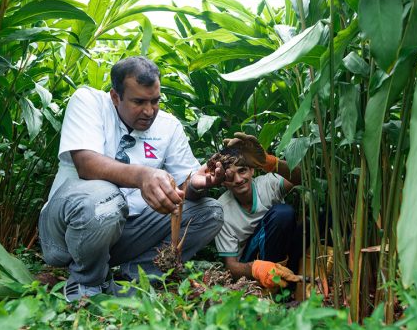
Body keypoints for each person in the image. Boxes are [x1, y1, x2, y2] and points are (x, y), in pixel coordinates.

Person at [39, 56, 226, 301]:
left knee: (209, 212)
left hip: (125, 233)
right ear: (115, 97)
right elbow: (86, 164)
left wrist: (197, 185)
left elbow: (183, 188)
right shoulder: (88, 101)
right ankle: (86, 283)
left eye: (155, 101)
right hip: (66, 234)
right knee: (106, 198)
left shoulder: (168, 126)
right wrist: (142, 175)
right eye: (139, 101)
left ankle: (129, 280)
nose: (149, 111)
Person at [214, 133, 304, 289]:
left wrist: (269, 162)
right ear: (223, 182)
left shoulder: (267, 184)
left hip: (281, 248)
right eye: (230, 176)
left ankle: (294, 282)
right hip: (252, 263)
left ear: (252, 171)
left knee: (306, 225)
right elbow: (231, 266)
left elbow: (302, 178)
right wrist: (256, 268)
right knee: (281, 214)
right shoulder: (221, 210)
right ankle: (272, 287)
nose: (238, 180)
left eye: (242, 171)